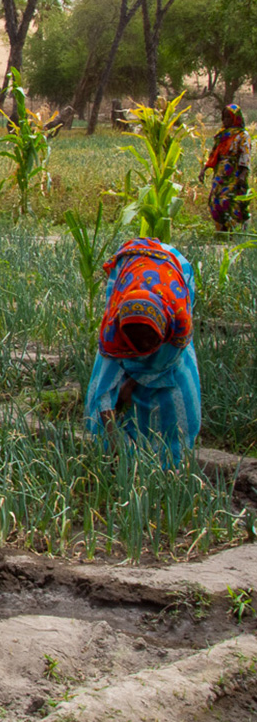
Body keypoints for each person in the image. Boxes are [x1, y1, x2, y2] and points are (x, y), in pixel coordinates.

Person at [84, 236, 200, 465]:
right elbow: (103, 394)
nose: (144, 350)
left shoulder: (179, 321)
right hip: (131, 272)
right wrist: (114, 444)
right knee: (112, 389)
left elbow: (165, 361)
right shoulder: (113, 333)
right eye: (136, 347)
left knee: (176, 390)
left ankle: (174, 461)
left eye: (150, 344)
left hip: (172, 268)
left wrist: (133, 383)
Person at [202, 103, 250, 233]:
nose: (225, 121)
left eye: (228, 117)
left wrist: (243, 174)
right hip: (220, 173)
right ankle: (221, 230)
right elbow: (214, 153)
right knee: (214, 200)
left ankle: (232, 230)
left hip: (234, 173)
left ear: (236, 118)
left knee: (229, 201)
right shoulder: (222, 135)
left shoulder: (242, 135)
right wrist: (205, 169)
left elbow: (245, 156)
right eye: (224, 118)